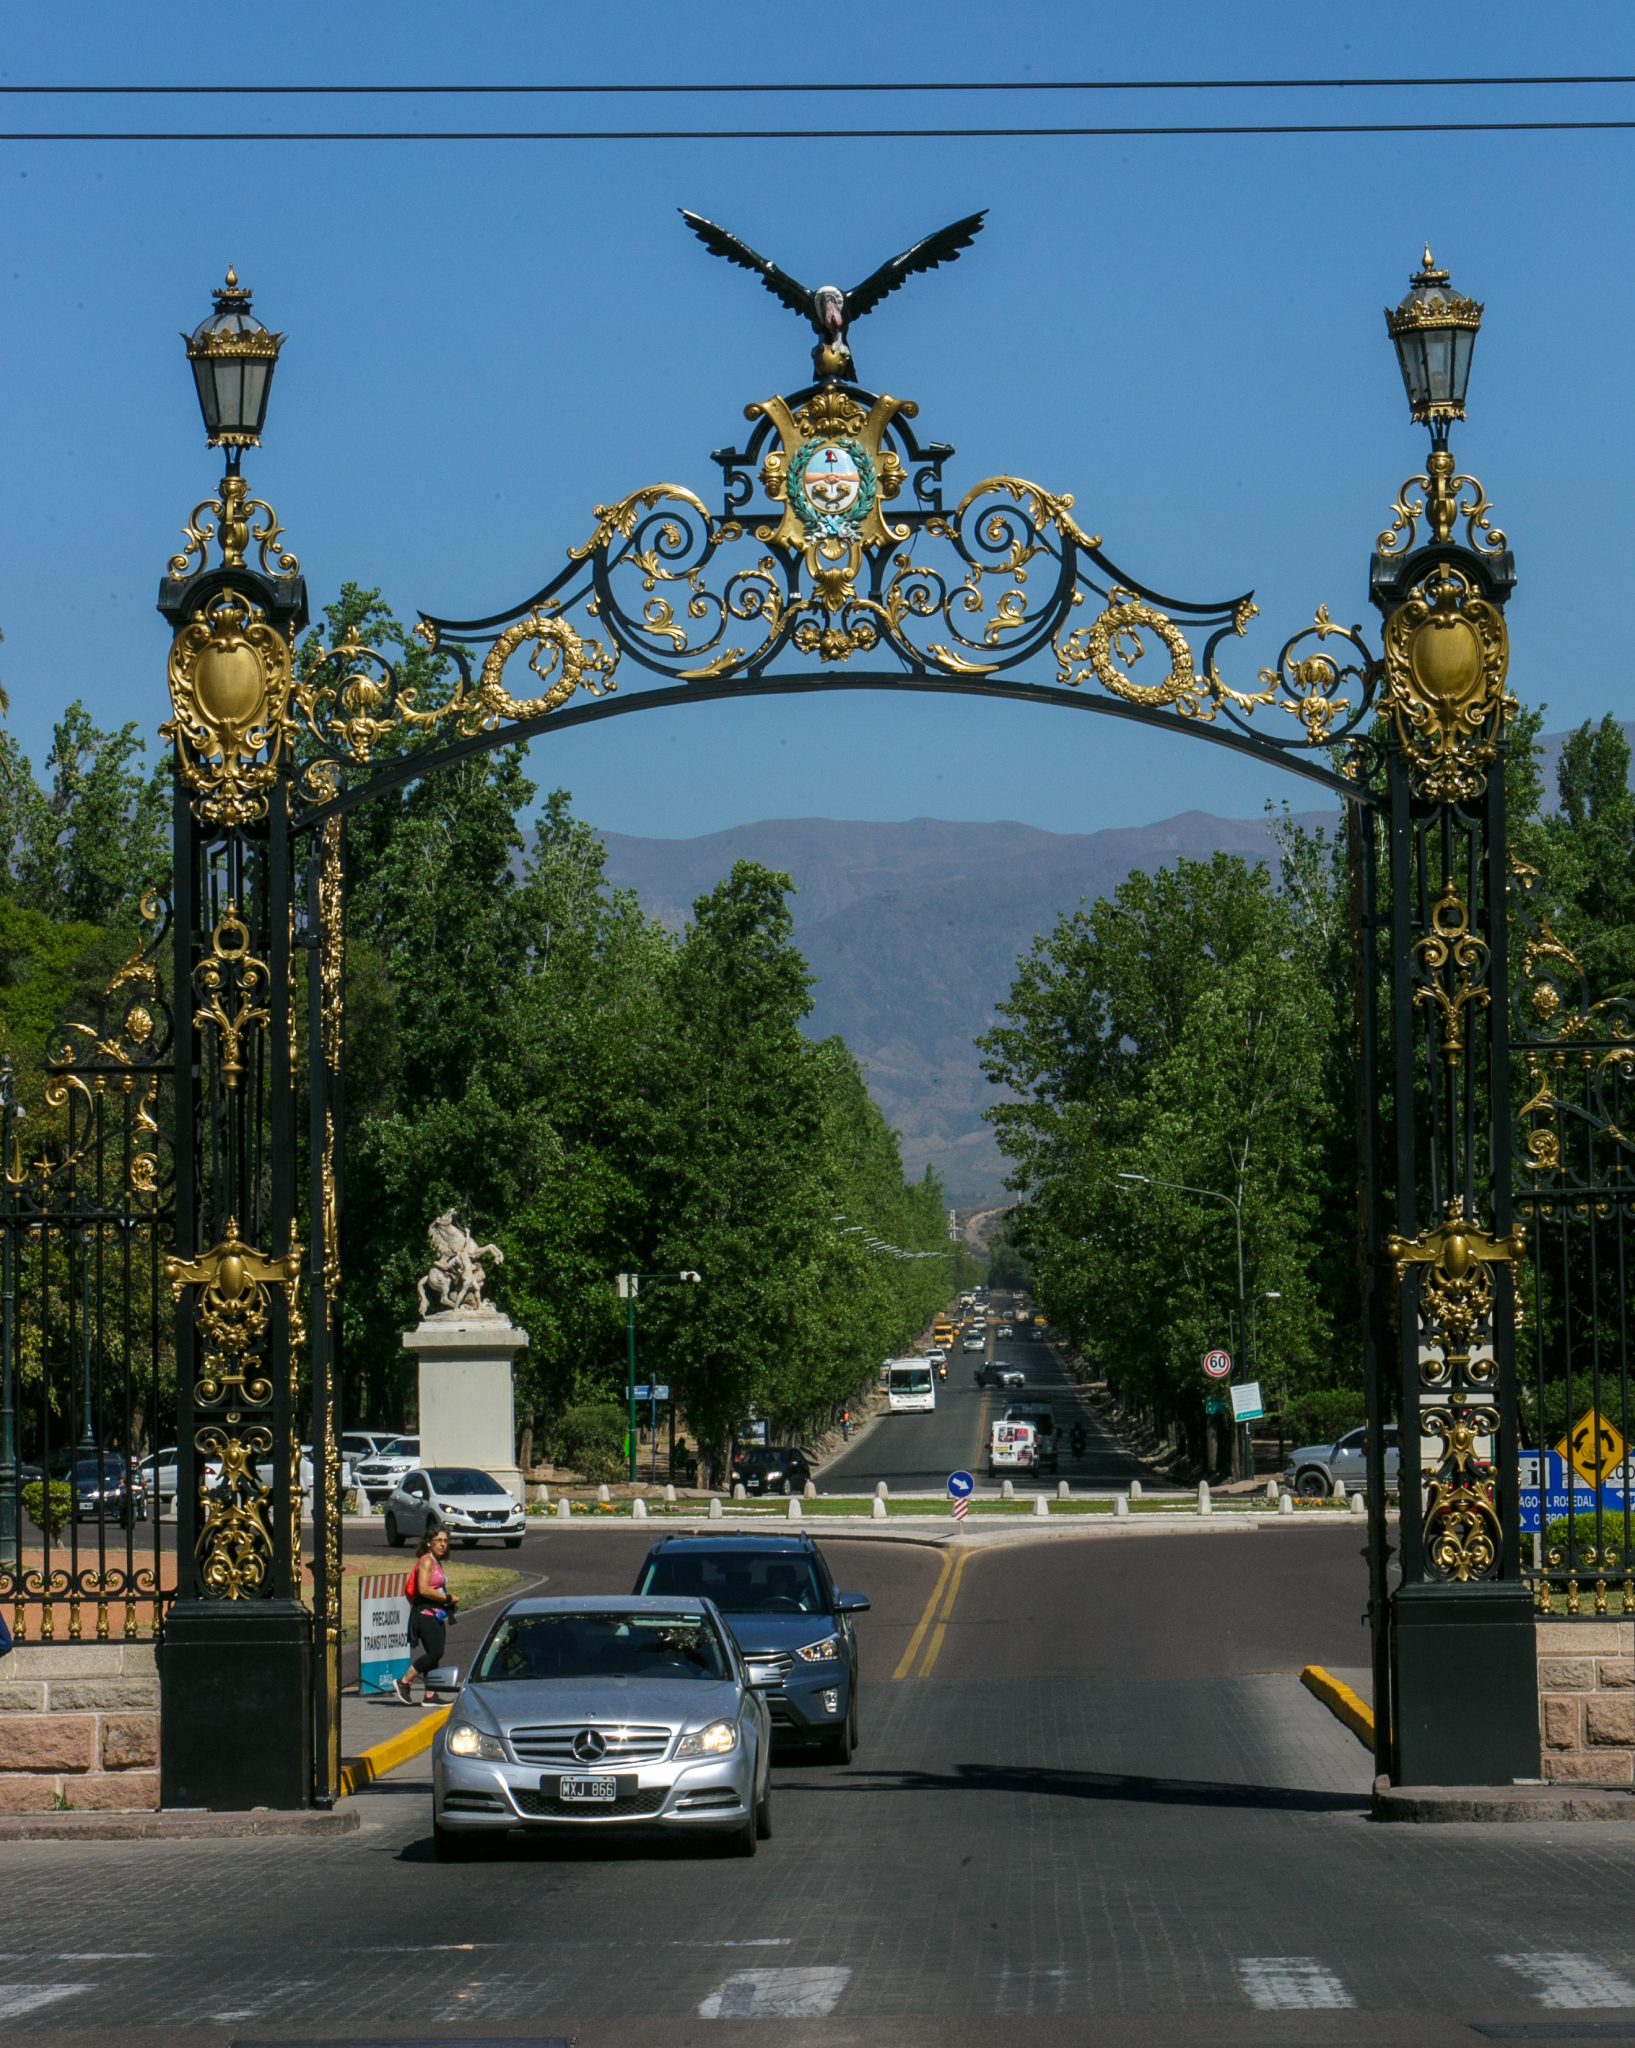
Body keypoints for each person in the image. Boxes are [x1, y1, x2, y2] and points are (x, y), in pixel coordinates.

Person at [396, 1526, 458, 1706]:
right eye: (438, 1540)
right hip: (424, 1613)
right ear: (428, 1543)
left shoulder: (436, 1562)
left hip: (437, 1613)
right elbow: (423, 1589)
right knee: (435, 1652)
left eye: (445, 1541)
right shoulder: (426, 1561)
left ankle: (431, 1695)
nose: (443, 1544)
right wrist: (447, 1598)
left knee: (435, 1654)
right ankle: (405, 1681)